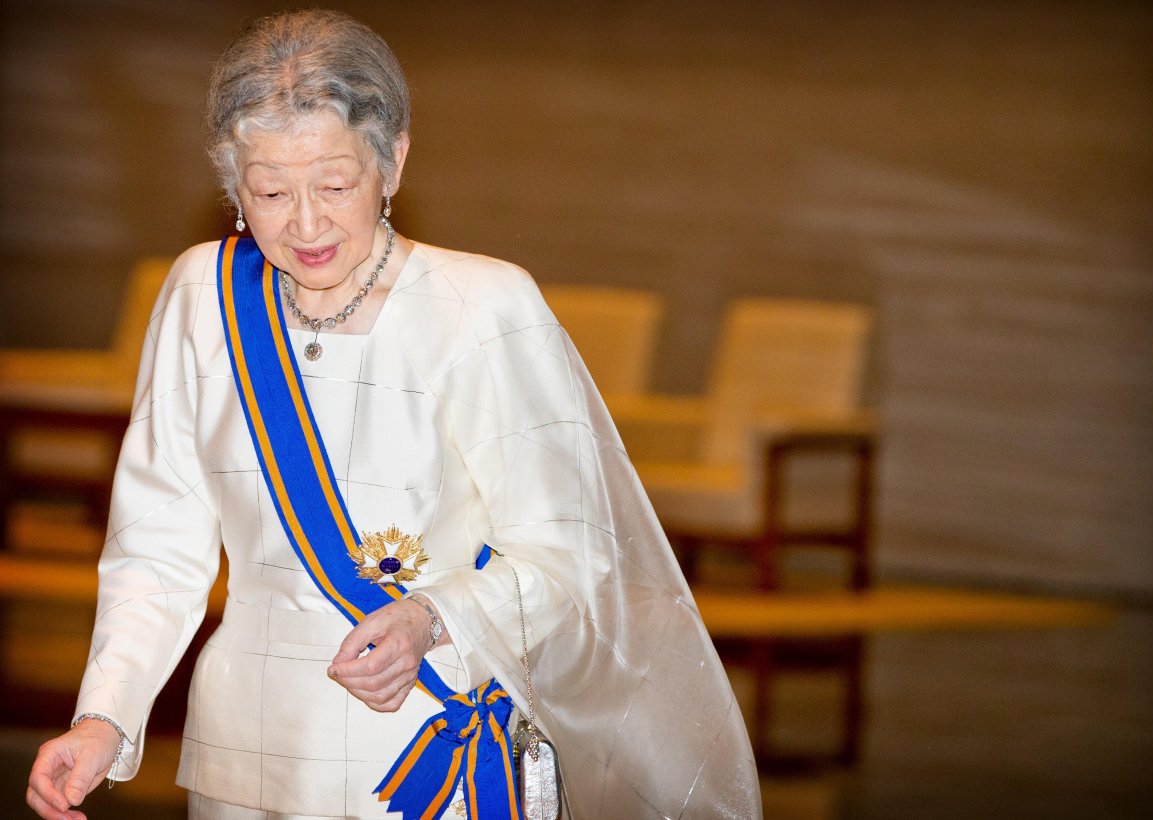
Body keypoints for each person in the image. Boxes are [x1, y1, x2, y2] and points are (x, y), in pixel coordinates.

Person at [26, 9, 761, 820]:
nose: (304, 224)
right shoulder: (203, 295)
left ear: (394, 161)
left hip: (422, 754)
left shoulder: (481, 305)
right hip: (243, 763)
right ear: (232, 183)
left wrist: (433, 619)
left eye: (335, 186)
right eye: (269, 191)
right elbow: (155, 550)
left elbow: (568, 553)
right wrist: (104, 716)